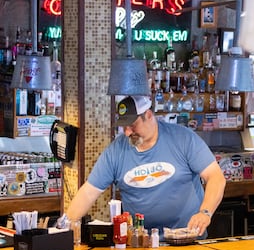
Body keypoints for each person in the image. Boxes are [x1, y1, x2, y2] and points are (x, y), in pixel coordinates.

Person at [62, 95, 226, 238]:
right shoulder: (116, 150)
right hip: (140, 242)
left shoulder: (183, 138)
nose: (127, 132)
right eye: (123, 126)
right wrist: (63, 225)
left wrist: (205, 212)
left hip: (188, 238)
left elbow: (216, 178)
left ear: (148, 115)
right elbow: (89, 192)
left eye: (132, 125)